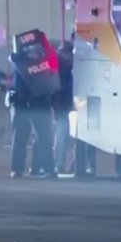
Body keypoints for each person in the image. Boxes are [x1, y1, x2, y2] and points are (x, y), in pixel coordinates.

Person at [8, 31, 58, 178]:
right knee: (35, 137)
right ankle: (36, 168)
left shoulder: (20, 60)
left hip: (29, 102)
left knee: (37, 137)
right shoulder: (22, 61)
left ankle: (35, 168)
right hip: (29, 102)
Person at [52, 41, 74, 175]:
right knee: (61, 137)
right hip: (63, 107)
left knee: (61, 138)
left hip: (64, 107)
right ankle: (58, 165)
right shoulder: (63, 69)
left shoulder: (61, 68)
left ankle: (59, 164)